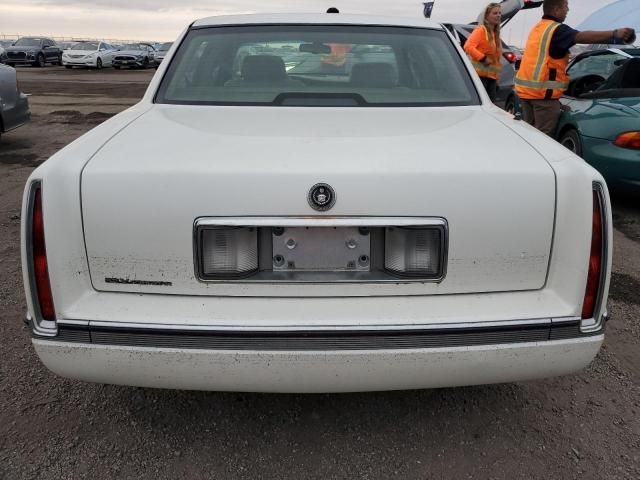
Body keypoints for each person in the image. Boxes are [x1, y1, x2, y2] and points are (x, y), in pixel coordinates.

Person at [516, 0, 636, 136]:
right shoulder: (557, 30)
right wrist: (614, 34)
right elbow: (581, 36)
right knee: (544, 139)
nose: (568, 11)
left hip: (526, 94)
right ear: (556, 9)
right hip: (543, 98)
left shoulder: (538, 28)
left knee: (529, 134)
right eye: (565, 7)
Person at [464, 2, 503, 102]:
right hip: (480, 78)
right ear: (486, 16)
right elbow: (468, 46)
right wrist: (483, 58)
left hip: (491, 79)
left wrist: (497, 78)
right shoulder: (481, 30)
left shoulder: (495, 34)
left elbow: (496, 61)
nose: (498, 15)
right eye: (495, 13)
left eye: (499, 13)